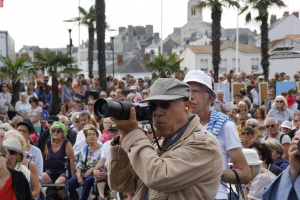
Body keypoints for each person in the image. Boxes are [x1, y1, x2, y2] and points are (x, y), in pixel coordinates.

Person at [108, 78, 223, 199]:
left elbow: (158, 177)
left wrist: (133, 134)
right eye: (152, 106)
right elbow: (120, 184)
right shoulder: (159, 143)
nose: (157, 112)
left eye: (165, 104)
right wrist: (124, 136)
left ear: (187, 106)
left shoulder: (204, 144)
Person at [183, 70, 250, 200]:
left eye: (196, 91)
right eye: (187, 92)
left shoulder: (225, 126)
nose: (190, 96)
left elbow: (244, 173)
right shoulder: (179, 126)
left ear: (209, 97)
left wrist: (212, 173)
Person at [42, 122, 75, 198]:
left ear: (63, 132)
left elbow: (72, 160)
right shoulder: (48, 143)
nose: (55, 132)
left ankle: (66, 198)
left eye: (58, 131)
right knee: (37, 180)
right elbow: (47, 159)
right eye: (53, 130)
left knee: (58, 183)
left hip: (63, 171)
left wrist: (73, 178)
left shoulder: (66, 143)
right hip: (51, 171)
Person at [68, 125, 102, 200]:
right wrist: (79, 176)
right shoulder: (85, 148)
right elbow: (80, 163)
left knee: (87, 181)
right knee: (70, 184)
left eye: (93, 134)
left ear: (97, 136)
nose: (91, 136)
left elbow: (102, 163)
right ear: (86, 138)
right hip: (84, 172)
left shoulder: (102, 148)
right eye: (89, 135)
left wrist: (92, 169)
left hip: (97, 172)